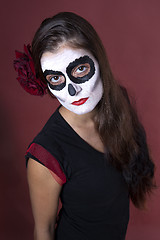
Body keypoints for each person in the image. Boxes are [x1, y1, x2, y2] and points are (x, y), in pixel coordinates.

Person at [14, 12, 156, 240]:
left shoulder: (118, 104)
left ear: (98, 58)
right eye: (56, 79)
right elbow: (43, 231)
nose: (72, 91)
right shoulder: (46, 154)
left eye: (80, 69)